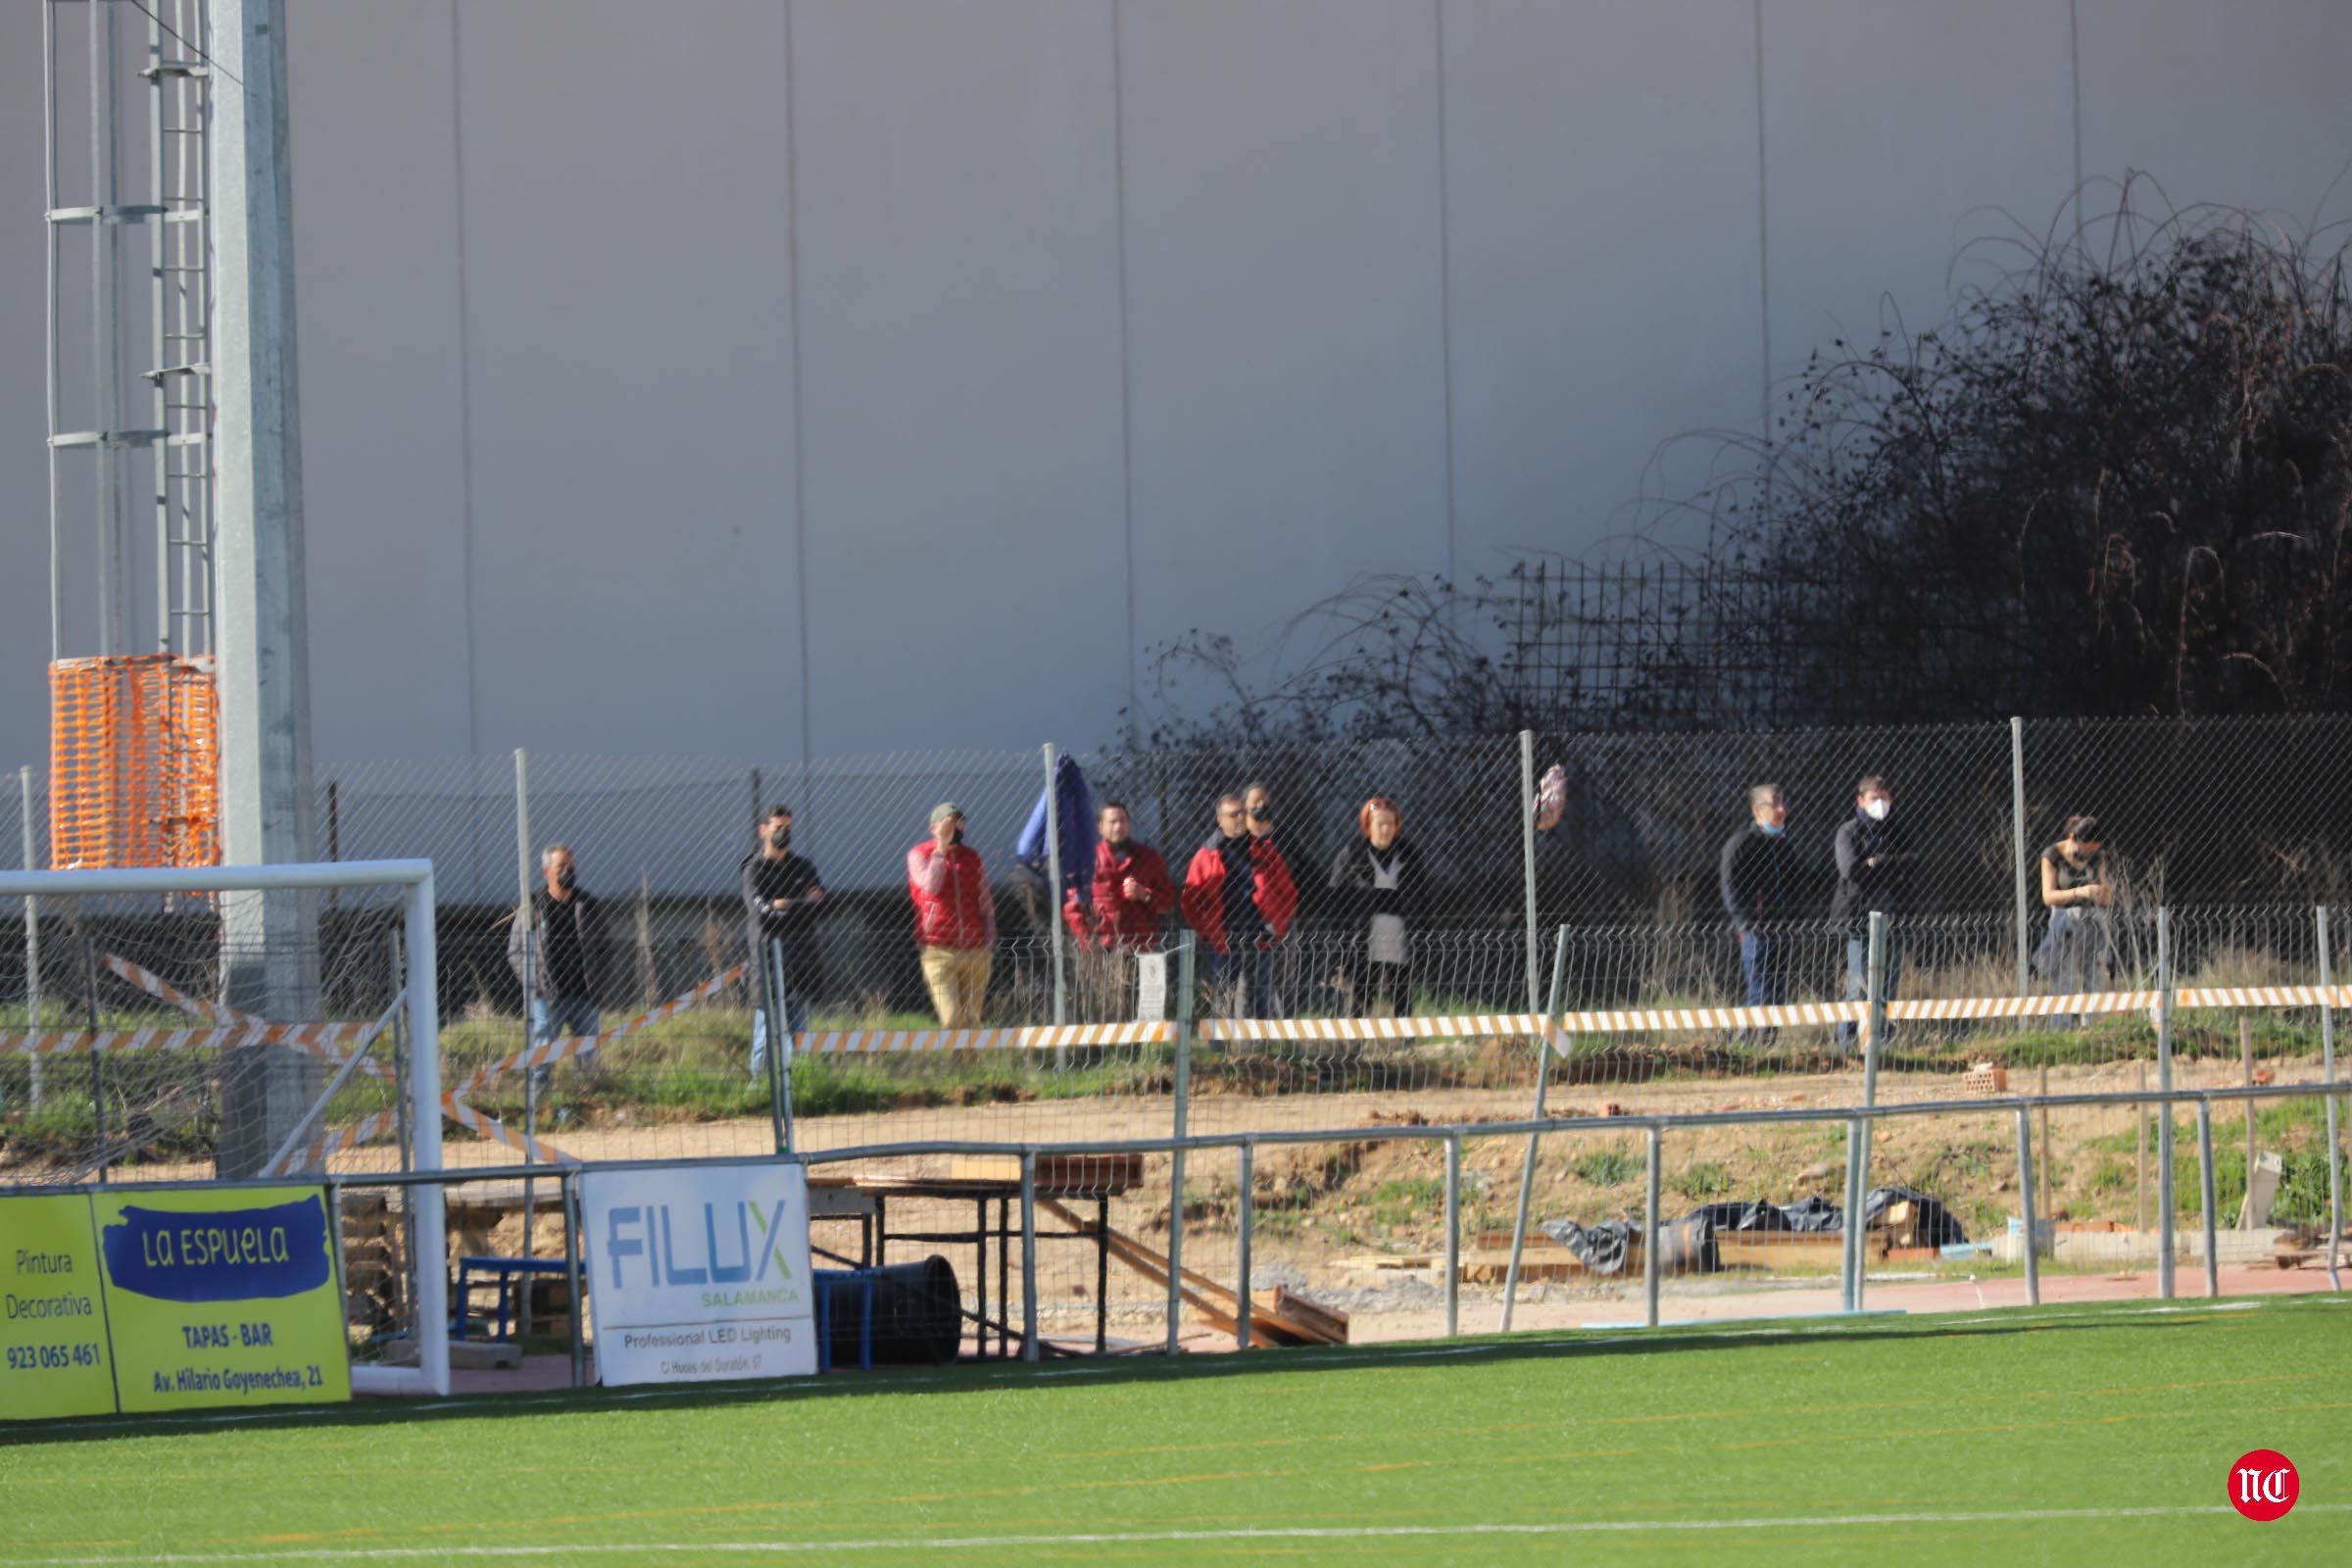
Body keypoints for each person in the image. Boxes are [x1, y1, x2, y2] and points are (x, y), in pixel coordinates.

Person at [1181, 793, 1298, 1018]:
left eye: (1243, 812)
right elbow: (1190, 901)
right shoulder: (1206, 855)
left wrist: (1277, 926)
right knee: (1223, 994)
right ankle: (1220, 1049)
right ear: (1219, 820)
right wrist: (1207, 932)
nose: (1241, 818)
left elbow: (1288, 893)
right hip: (1223, 935)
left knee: (1261, 994)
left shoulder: (1265, 850)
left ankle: (1263, 1048)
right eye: (1234, 814)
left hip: (1259, 934)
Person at [1831, 775, 1917, 1052]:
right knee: (1859, 986)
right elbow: (1851, 870)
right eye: (1874, 798)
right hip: (1860, 920)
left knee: (1888, 987)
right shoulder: (1849, 832)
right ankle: (1847, 1044)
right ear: (1860, 800)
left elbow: (1915, 860)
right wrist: (1892, 868)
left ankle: (1880, 1044)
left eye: (1885, 797)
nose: (1880, 803)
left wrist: (1877, 862)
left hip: (1895, 918)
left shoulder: (1898, 831)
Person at [505, 843, 607, 1073]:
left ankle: (589, 1099)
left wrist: (599, 984)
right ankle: (541, 1100)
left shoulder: (588, 905)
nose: (567, 871)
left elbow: (604, 949)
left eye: (571, 866)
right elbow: (515, 951)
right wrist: (535, 983)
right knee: (542, 1058)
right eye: (561, 866)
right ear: (547, 872)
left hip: (585, 994)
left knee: (589, 1059)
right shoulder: (534, 906)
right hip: (547, 996)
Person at [744, 804, 827, 1081]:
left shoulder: (803, 866)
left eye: (789, 828)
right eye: (778, 828)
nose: (784, 833)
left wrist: (785, 905)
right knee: (766, 1033)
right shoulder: (754, 869)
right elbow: (762, 914)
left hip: (801, 957)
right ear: (764, 830)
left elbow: (820, 907)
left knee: (799, 1031)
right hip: (768, 960)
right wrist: (800, 905)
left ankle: (798, 1086)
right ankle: (759, 1088)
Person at [1325, 796, 1422, 1015]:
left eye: (1391, 823)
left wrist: (1420, 930)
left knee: (1401, 993)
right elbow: (1336, 898)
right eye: (1380, 824)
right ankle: (1357, 1045)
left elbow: (1421, 897)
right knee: (1361, 992)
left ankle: (1405, 1044)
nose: (1386, 829)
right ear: (1368, 825)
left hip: (1400, 934)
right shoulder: (1352, 854)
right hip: (1364, 935)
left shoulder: (1409, 855)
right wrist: (1340, 937)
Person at [1719, 784, 1799, 1033]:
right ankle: (1747, 1044)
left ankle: (1769, 1044)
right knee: (1759, 989)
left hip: (1782, 928)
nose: (1782, 809)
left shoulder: (1783, 845)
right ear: (1757, 809)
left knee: (1777, 992)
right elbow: (1730, 886)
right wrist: (1746, 921)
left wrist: (1793, 919)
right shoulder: (1742, 843)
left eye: (1783, 802)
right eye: (1775, 803)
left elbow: (1794, 886)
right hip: (1755, 929)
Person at [907, 803, 995, 1027]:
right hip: (938, 947)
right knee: (952, 1017)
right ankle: (958, 1058)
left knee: (972, 1018)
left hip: (975, 948)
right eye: (948, 823)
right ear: (933, 828)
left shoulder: (971, 857)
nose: (954, 828)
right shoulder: (920, 854)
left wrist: (989, 938)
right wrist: (940, 849)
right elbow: (930, 886)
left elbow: (984, 898)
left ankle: (969, 1061)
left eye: (958, 822)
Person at [2034, 814, 2115, 1016]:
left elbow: (2106, 892)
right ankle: (2060, 1030)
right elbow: (2048, 896)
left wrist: (2103, 894)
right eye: (2086, 849)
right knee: (2064, 976)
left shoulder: (2097, 856)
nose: (2089, 854)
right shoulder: (2052, 855)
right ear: (2073, 839)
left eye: (2093, 850)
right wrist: (2080, 892)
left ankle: (2094, 1028)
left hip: (2093, 921)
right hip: (2065, 921)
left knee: (2095, 973)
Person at [1071, 801, 1177, 951]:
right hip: (1101, 946)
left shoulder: (1149, 858)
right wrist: (1086, 942)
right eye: (1112, 822)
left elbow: (1169, 902)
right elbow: (1073, 905)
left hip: (1141, 945)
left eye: (1123, 821)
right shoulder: (1087, 861)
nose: (1118, 826)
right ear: (1100, 827)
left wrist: (1145, 894)